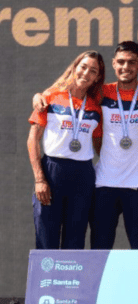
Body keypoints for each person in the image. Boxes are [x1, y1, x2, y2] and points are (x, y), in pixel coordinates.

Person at [35, 41, 138, 249]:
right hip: (104, 185)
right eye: (121, 62)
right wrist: (39, 95)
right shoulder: (99, 94)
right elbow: (68, 90)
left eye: (132, 62)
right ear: (114, 64)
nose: (126, 67)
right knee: (99, 250)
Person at [28, 51, 105, 249]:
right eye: (83, 67)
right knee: (46, 237)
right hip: (53, 171)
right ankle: (47, 281)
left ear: (97, 77)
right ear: (74, 67)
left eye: (93, 71)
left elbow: (100, 145)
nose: (86, 73)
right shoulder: (49, 97)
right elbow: (32, 139)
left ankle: (71, 281)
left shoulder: (96, 108)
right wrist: (39, 179)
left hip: (83, 175)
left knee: (76, 238)